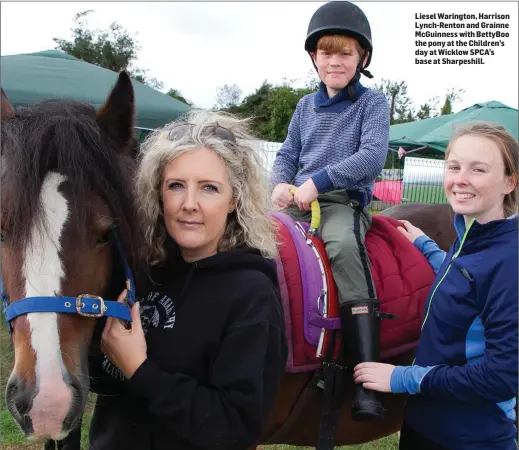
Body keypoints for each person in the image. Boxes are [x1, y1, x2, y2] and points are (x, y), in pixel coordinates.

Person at [87, 110, 288, 450]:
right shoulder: (143, 274)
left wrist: (139, 368)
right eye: (176, 186)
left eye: (209, 188)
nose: (189, 204)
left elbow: (234, 429)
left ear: (233, 200)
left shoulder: (251, 296)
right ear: (158, 194)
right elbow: (106, 378)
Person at [354, 122, 518, 450]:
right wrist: (428, 247)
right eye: (454, 166)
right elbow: (464, 279)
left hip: (471, 437)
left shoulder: (510, 259)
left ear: (509, 182)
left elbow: (501, 377)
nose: (461, 179)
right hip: (424, 425)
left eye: (479, 169)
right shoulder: (472, 236)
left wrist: (401, 378)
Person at [270, 1, 390, 421]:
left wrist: (317, 182)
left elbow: (373, 156)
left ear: (363, 58)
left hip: (342, 202)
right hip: (299, 202)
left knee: (340, 246)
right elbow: (287, 154)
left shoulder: (374, 104)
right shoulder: (305, 106)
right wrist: (279, 186)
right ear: (313, 58)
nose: (334, 61)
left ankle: (366, 381)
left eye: (345, 53)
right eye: (326, 52)